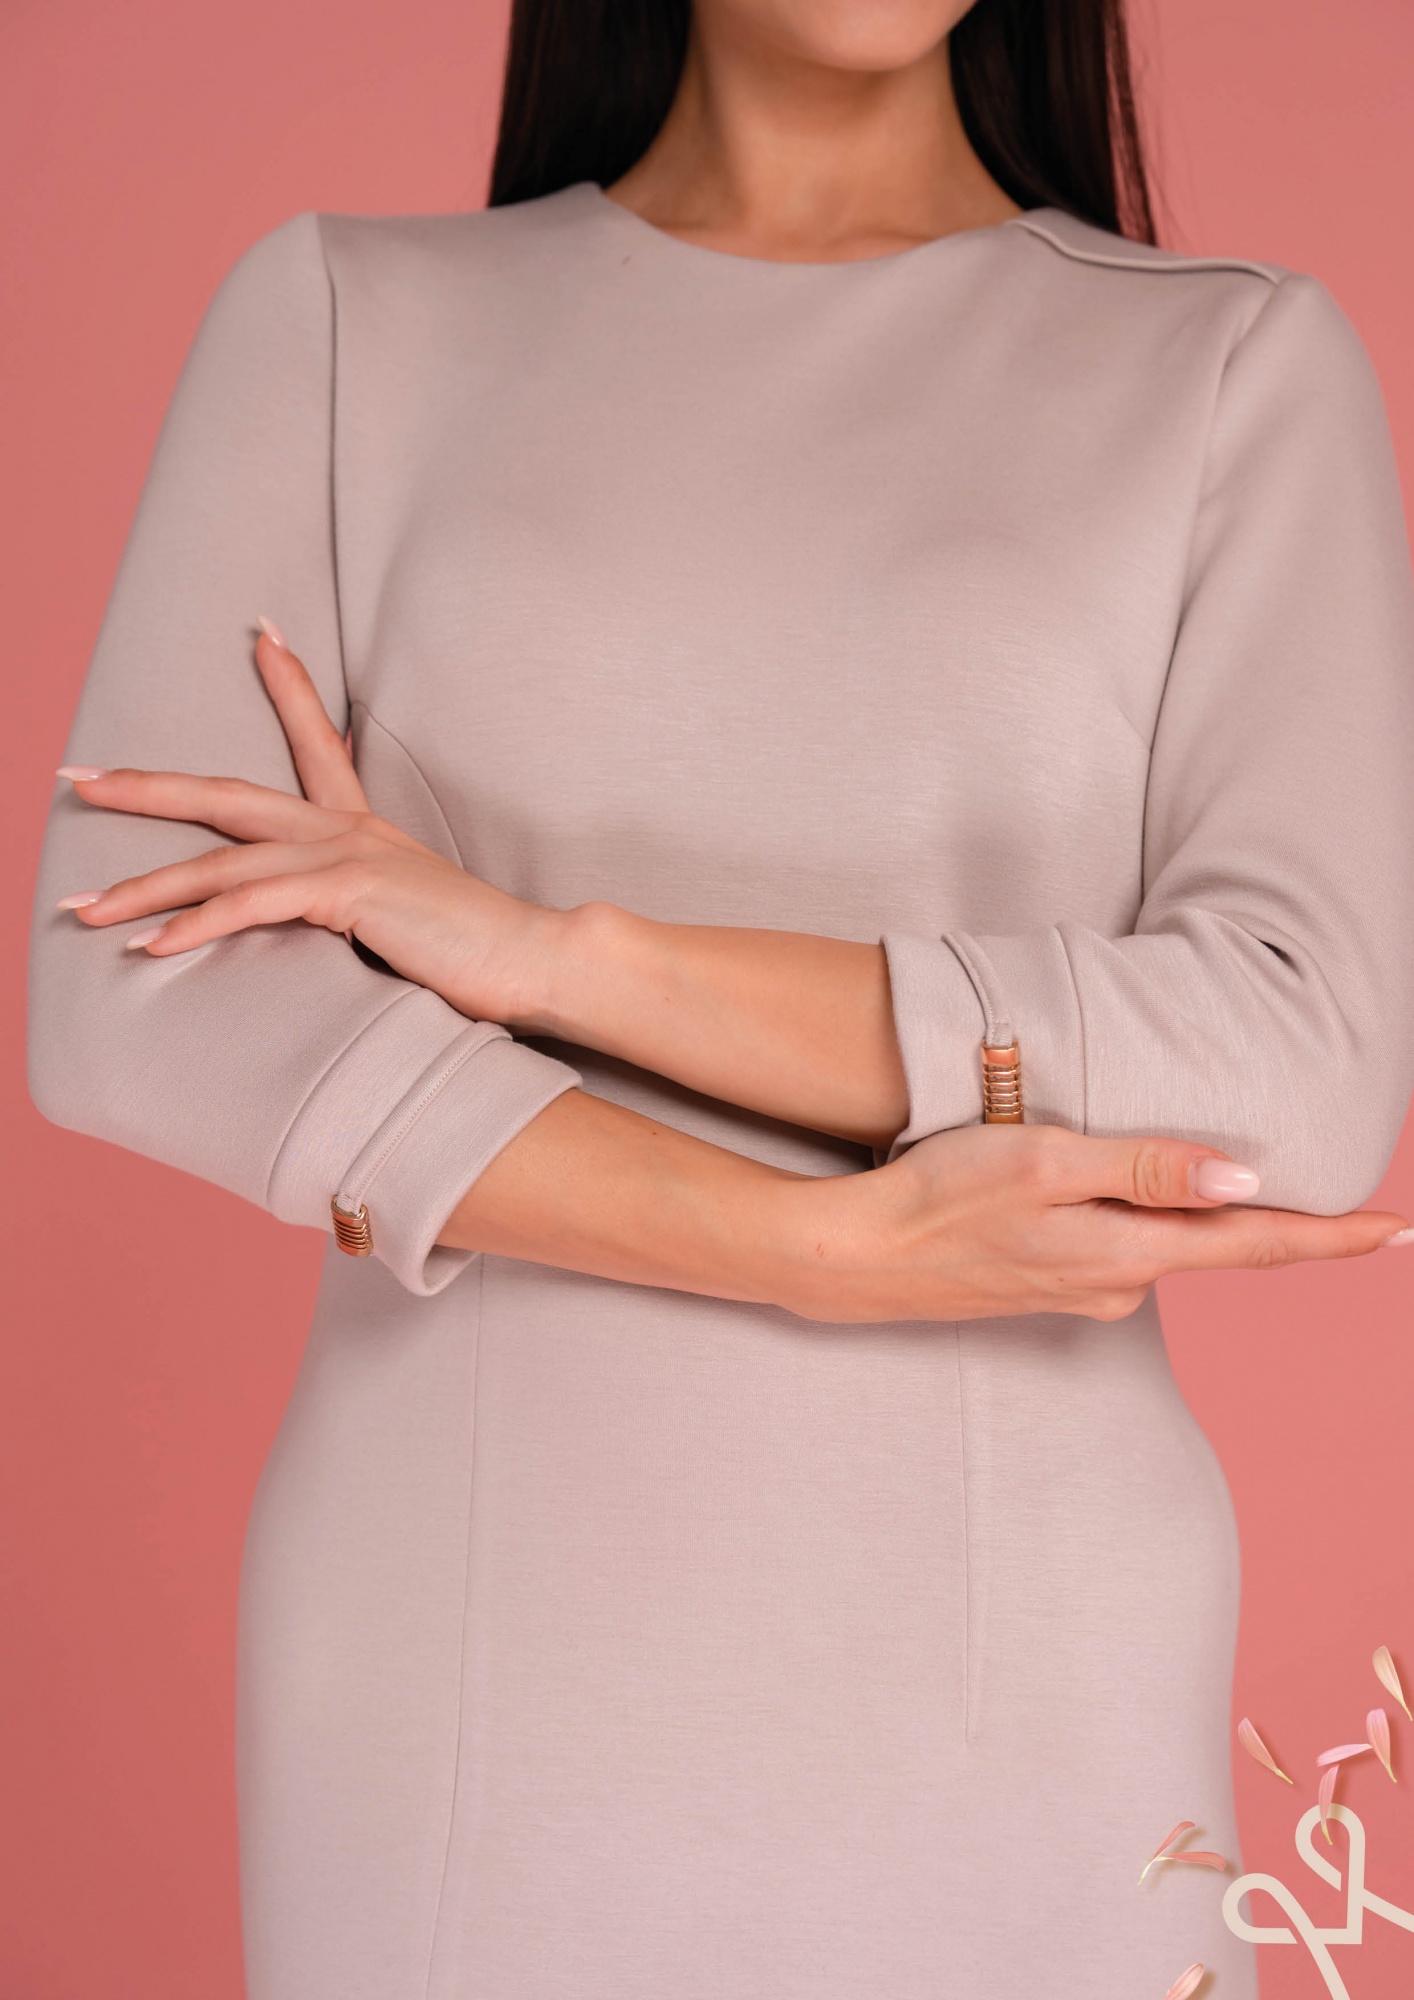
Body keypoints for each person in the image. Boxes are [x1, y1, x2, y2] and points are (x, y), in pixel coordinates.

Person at [28, 0, 1414, 1992]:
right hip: (464, 1647)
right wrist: (814, 1250)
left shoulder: (1227, 365)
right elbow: (137, 994)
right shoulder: (344, 319)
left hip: (1020, 1655)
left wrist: (557, 957)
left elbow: (1294, 1057)